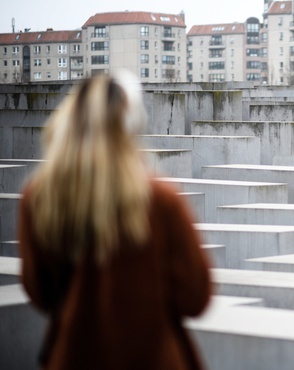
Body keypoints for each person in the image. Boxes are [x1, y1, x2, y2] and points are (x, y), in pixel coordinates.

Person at [18, 72, 213, 370]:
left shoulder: (39, 200)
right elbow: (195, 297)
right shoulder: (161, 200)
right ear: (130, 126)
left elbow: (40, 294)